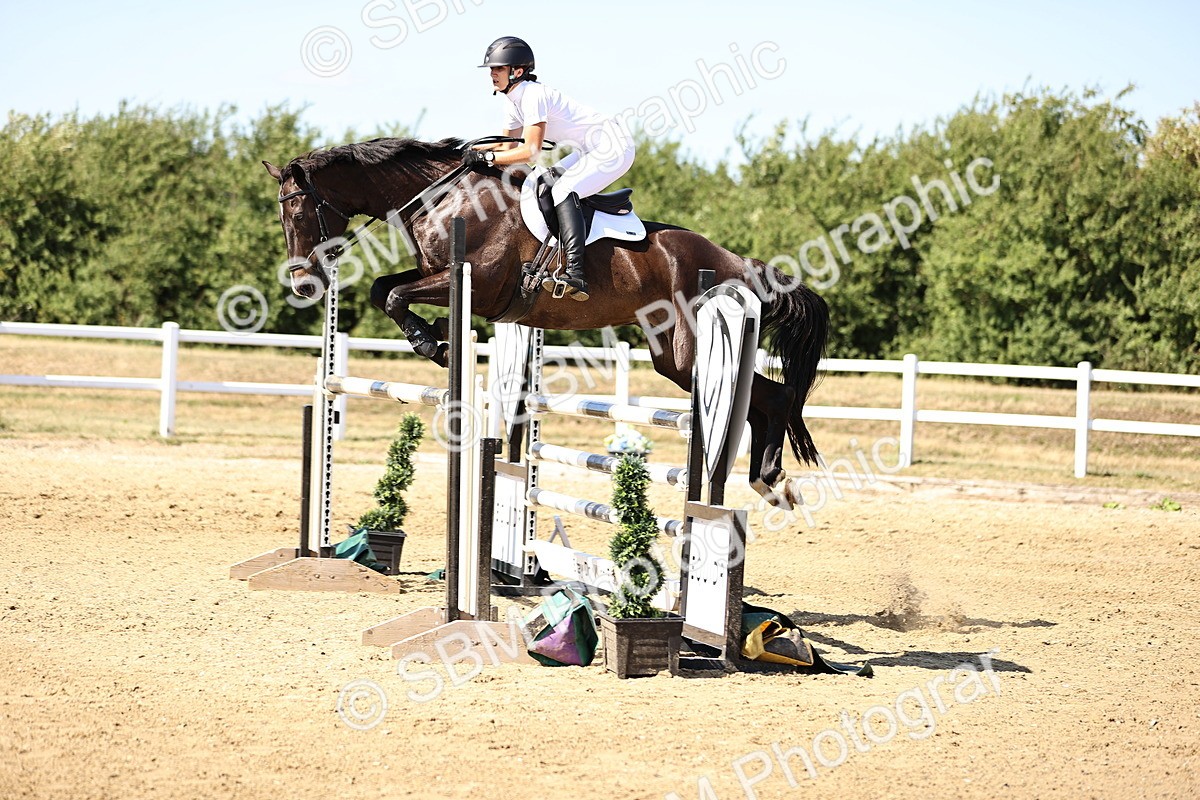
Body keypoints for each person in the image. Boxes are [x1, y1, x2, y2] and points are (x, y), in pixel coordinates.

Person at [462, 36, 635, 301]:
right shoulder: (512, 102)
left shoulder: (533, 95)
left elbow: (530, 151)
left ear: (517, 71)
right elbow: (508, 148)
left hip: (614, 147)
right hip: (588, 150)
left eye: (498, 68)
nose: (492, 74)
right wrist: (474, 151)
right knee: (543, 181)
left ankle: (576, 272)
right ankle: (552, 253)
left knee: (564, 188)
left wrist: (487, 158)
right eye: (491, 69)